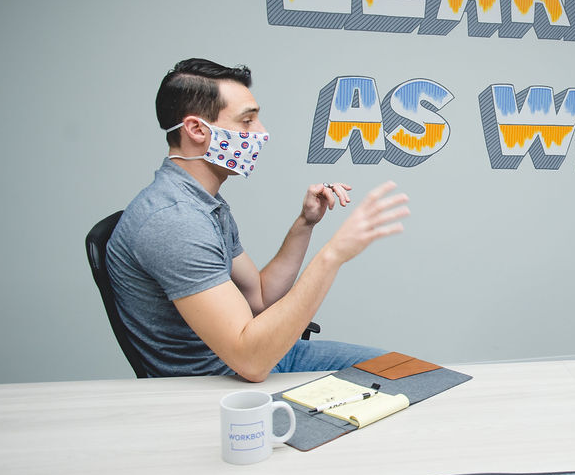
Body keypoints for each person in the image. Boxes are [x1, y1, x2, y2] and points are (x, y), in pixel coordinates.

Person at [106, 58, 410, 380]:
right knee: (402, 380)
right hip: (226, 382)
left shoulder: (204, 204)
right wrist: (334, 255)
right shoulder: (174, 221)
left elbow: (261, 297)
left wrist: (305, 223)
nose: (262, 133)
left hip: (265, 356)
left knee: (408, 372)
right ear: (197, 130)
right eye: (247, 121)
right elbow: (250, 360)